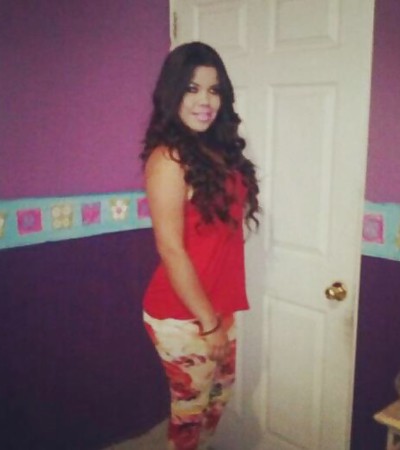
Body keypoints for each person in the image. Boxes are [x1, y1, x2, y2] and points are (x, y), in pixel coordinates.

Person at [140, 42, 260, 450]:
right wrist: (208, 323)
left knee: (215, 403)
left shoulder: (216, 150)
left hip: (219, 304)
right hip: (182, 313)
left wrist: (218, 317)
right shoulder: (169, 159)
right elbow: (171, 249)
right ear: (172, 93)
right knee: (189, 418)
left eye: (213, 90)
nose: (205, 101)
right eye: (192, 89)